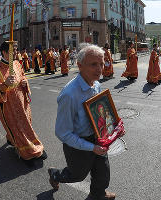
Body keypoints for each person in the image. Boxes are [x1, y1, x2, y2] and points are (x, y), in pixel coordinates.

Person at [48, 43, 125, 200]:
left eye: (102, 64)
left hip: (98, 138)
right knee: (76, 175)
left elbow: (100, 113)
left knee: (103, 173)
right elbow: (63, 133)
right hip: (78, 145)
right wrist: (91, 147)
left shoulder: (96, 84)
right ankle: (55, 174)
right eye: (93, 64)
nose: (99, 69)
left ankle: (98, 195)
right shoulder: (69, 95)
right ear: (79, 65)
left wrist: (113, 127)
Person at [0, 41, 47, 166]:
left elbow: (23, 76)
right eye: (13, 50)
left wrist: (25, 83)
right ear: (4, 52)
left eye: (16, 49)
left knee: (26, 126)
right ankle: (27, 153)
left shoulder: (16, 63)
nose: (16, 52)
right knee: (18, 129)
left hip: (22, 101)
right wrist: (4, 86)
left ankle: (24, 143)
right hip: (9, 106)